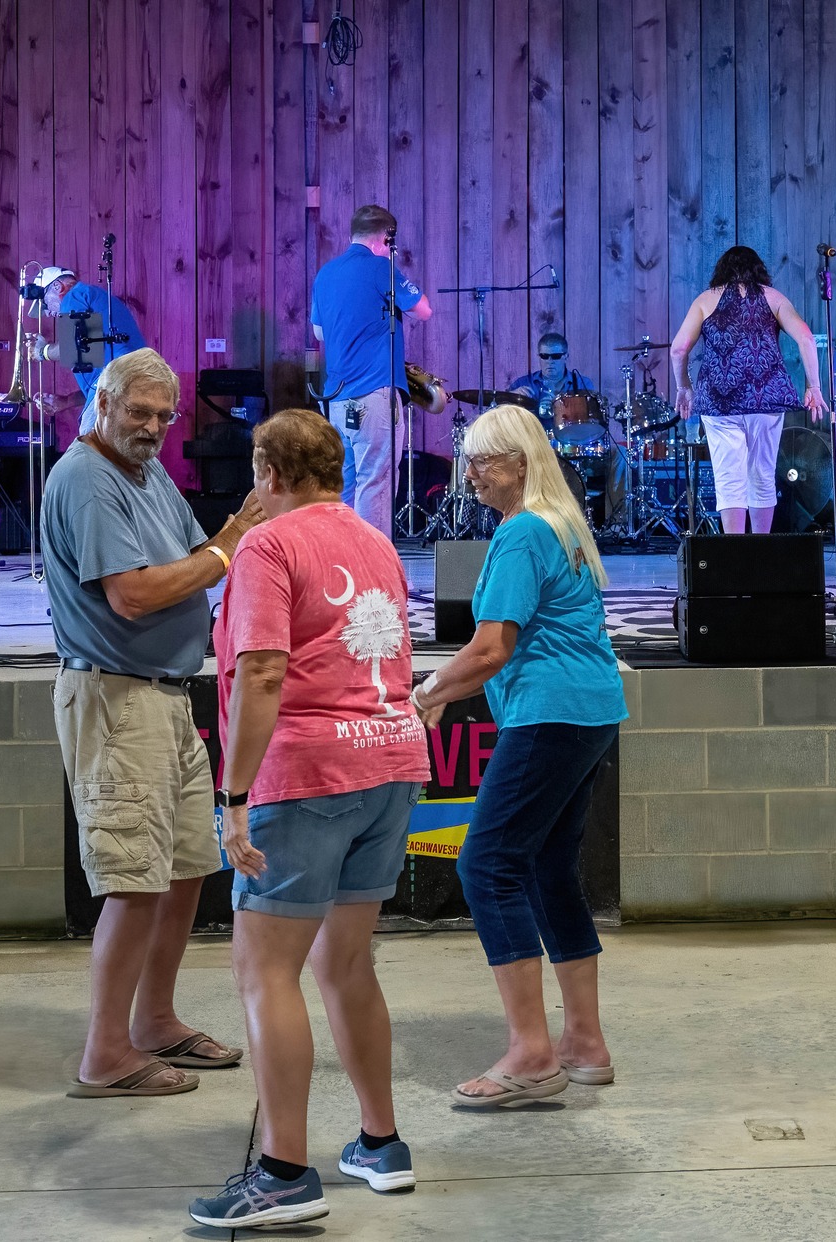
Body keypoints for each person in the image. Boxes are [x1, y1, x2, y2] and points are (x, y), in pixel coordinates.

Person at [186, 409, 431, 1229]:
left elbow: (260, 672)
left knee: (266, 971)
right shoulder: (375, 540)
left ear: (266, 471)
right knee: (346, 965)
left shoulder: (266, 544)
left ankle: (286, 1172)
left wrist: (234, 795)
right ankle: (380, 1143)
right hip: (390, 758)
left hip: (308, 772)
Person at [40, 347, 263, 1098]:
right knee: (135, 882)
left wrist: (229, 545)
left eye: (165, 416)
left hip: (164, 694)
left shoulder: (144, 469)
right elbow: (134, 594)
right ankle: (105, 1054)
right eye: (139, 411)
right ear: (101, 401)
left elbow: (193, 554)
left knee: (185, 869)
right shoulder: (88, 479)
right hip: (116, 698)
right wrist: (229, 548)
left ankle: (155, 1021)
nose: (155, 427)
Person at [410, 405, 627, 1107]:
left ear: (521, 464)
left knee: (486, 864)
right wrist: (448, 685)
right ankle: (584, 1044)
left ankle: (533, 1053)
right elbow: (496, 651)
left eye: (482, 460)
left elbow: (492, 648)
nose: (467, 473)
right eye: (467, 459)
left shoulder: (523, 532)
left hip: (550, 713)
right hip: (588, 712)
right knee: (545, 868)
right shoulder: (559, 525)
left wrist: (427, 691)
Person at [669, 246, 829, 533]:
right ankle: (760, 553)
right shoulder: (773, 297)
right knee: (762, 476)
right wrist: (813, 386)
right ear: (758, 270)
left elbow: (679, 349)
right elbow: (806, 337)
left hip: (720, 402)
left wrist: (684, 387)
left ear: (722, 271)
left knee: (730, 479)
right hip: (766, 400)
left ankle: (735, 556)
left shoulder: (706, 300)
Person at [312, 204, 435, 535]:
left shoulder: (326, 273)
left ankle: (343, 561)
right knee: (376, 479)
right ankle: (373, 566)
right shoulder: (383, 267)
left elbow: (319, 333)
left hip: (336, 399)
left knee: (346, 482)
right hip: (375, 393)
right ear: (385, 238)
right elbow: (423, 310)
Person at [35, 266, 148, 432]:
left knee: (89, 449)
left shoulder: (73, 295)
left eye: (45, 303)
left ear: (57, 287)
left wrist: (42, 352)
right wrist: (66, 402)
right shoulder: (93, 301)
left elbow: (71, 345)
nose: (47, 313)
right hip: (135, 385)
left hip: (120, 383)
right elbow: (99, 382)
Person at [509, 332, 599, 430]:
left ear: (566, 356)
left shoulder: (582, 384)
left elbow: (592, 419)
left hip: (571, 441)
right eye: (544, 356)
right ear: (539, 357)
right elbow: (499, 413)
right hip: (532, 442)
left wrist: (560, 410)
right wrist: (511, 398)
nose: (549, 361)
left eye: (556, 356)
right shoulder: (523, 383)